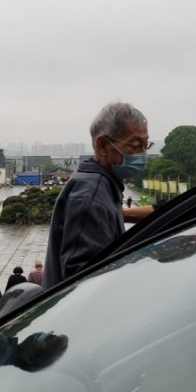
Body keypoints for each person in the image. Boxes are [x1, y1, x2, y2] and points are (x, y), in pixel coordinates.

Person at [43, 101, 149, 289]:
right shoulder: (91, 196)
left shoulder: (104, 187)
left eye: (145, 145)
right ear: (103, 146)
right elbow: (84, 282)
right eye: (135, 144)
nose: (143, 153)